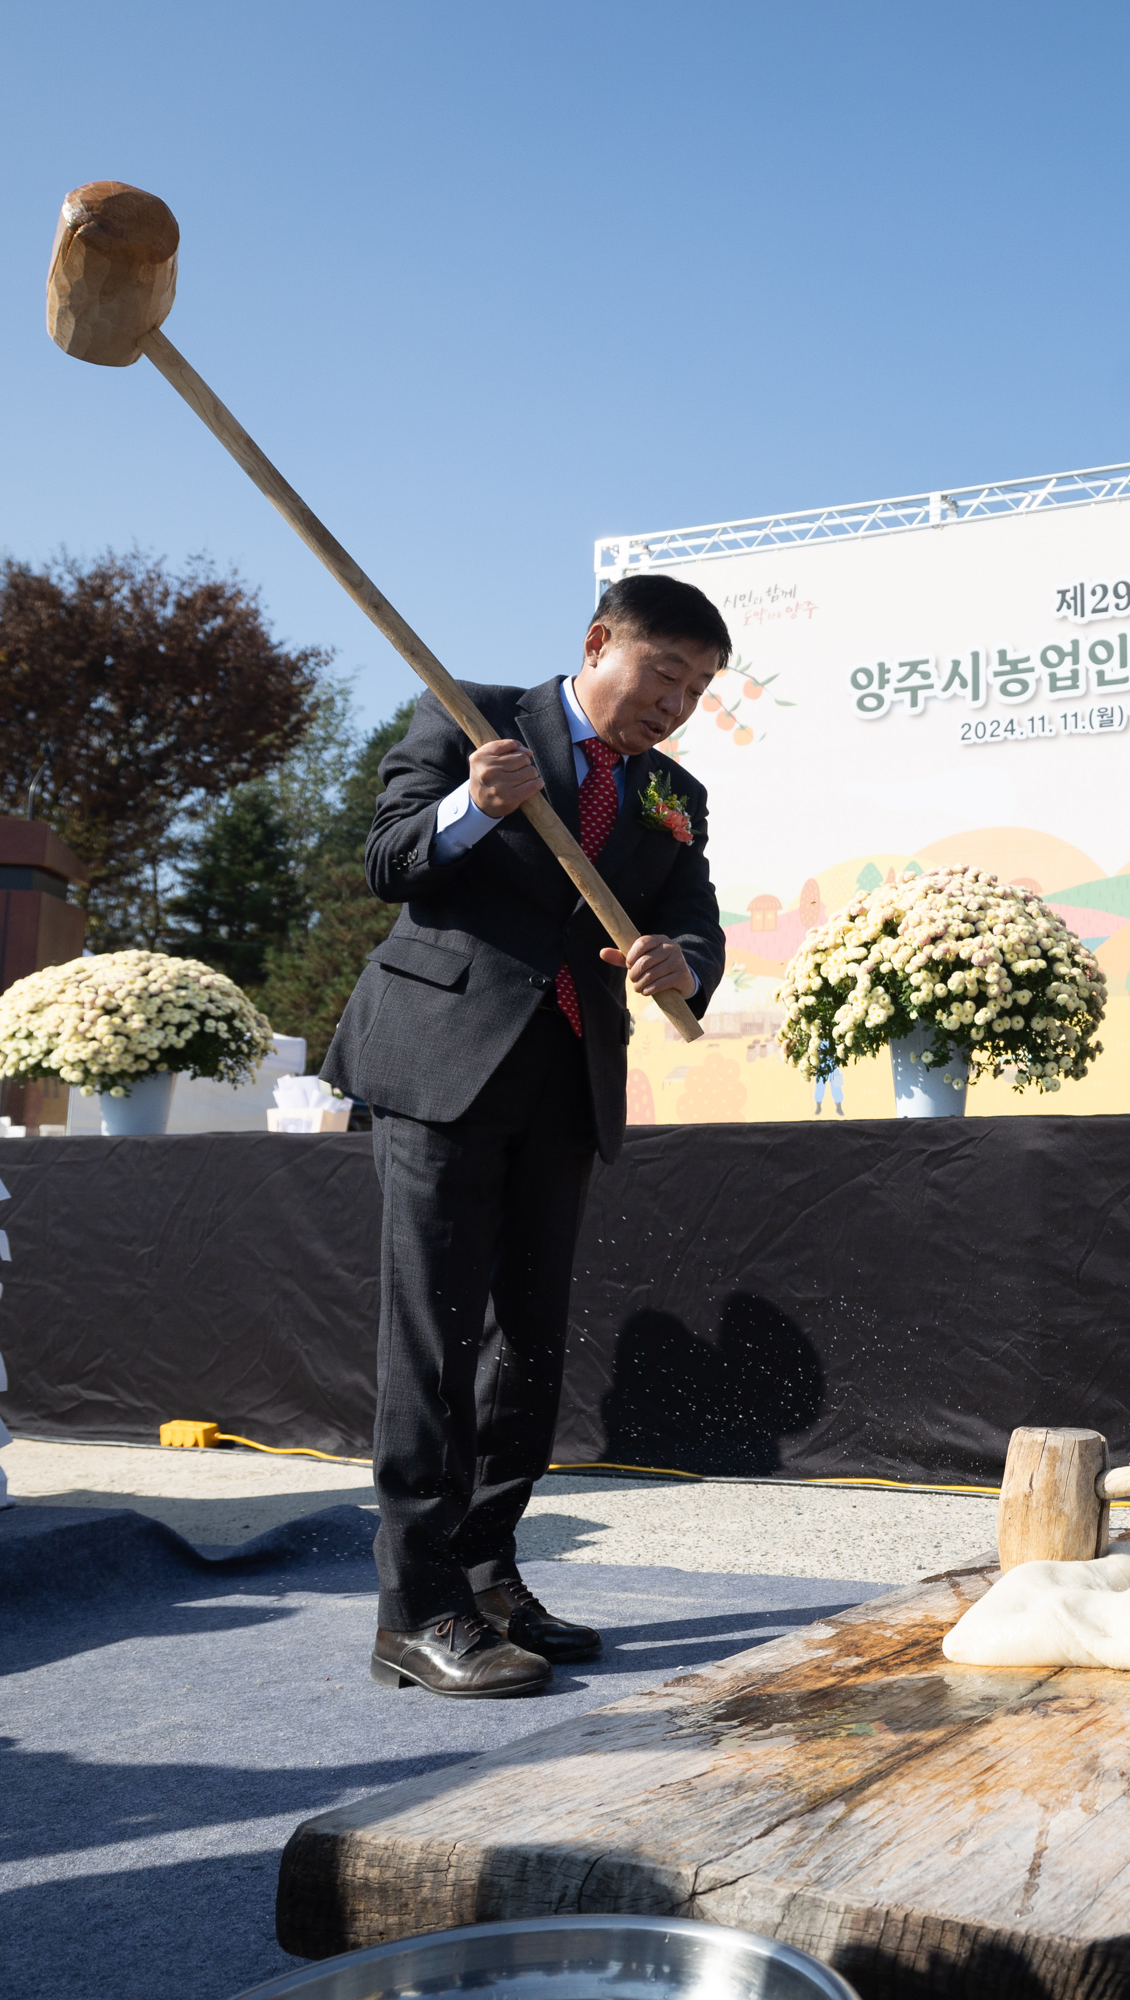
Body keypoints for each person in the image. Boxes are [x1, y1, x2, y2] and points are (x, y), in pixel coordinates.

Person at [322, 576, 730, 1699]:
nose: (675, 703)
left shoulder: (672, 794)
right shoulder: (470, 716)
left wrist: (683, 960)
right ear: (600, 643)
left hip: (568, 1079)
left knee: (529, 1347)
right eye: (663, 675)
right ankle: (416, 1607)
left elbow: (694, 915)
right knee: (436, 1341)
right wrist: (471, 808)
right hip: (440, 1064)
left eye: (695, 688)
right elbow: (387, 859)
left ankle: (491, 1570)